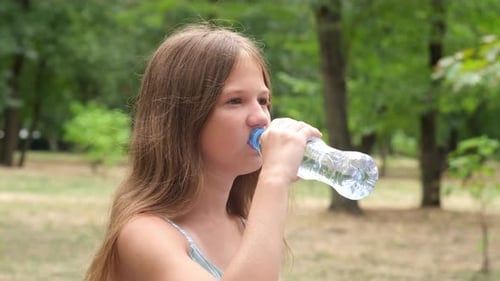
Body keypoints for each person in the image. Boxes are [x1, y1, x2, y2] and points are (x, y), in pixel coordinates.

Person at [85, 23, 321, 281]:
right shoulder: (143, 234)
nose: (260, 118)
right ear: (183, 119)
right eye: (235, 101)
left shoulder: (241, 226)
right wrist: (274, 179)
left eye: (263, 101)